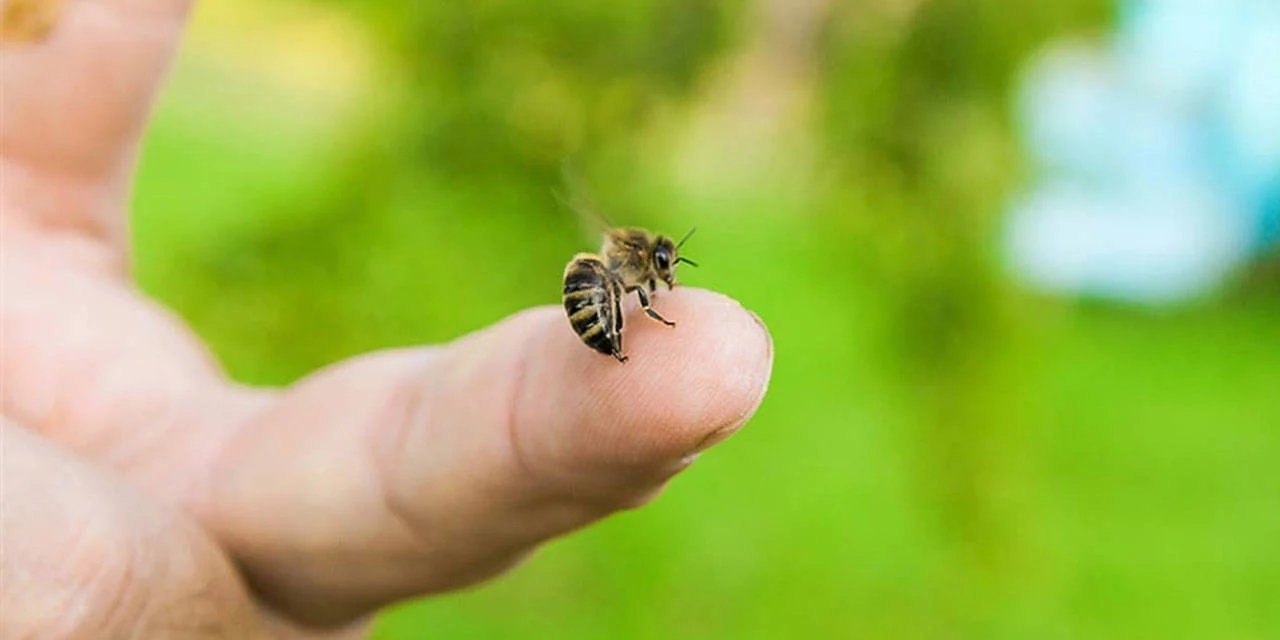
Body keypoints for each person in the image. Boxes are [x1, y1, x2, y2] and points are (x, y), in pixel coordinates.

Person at [0, 2, 774, 637]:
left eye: (663, 276)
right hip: (595, 305)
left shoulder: (630, 268)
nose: (666, 279)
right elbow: (615, 281)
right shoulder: (627, 271)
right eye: (663, 271)